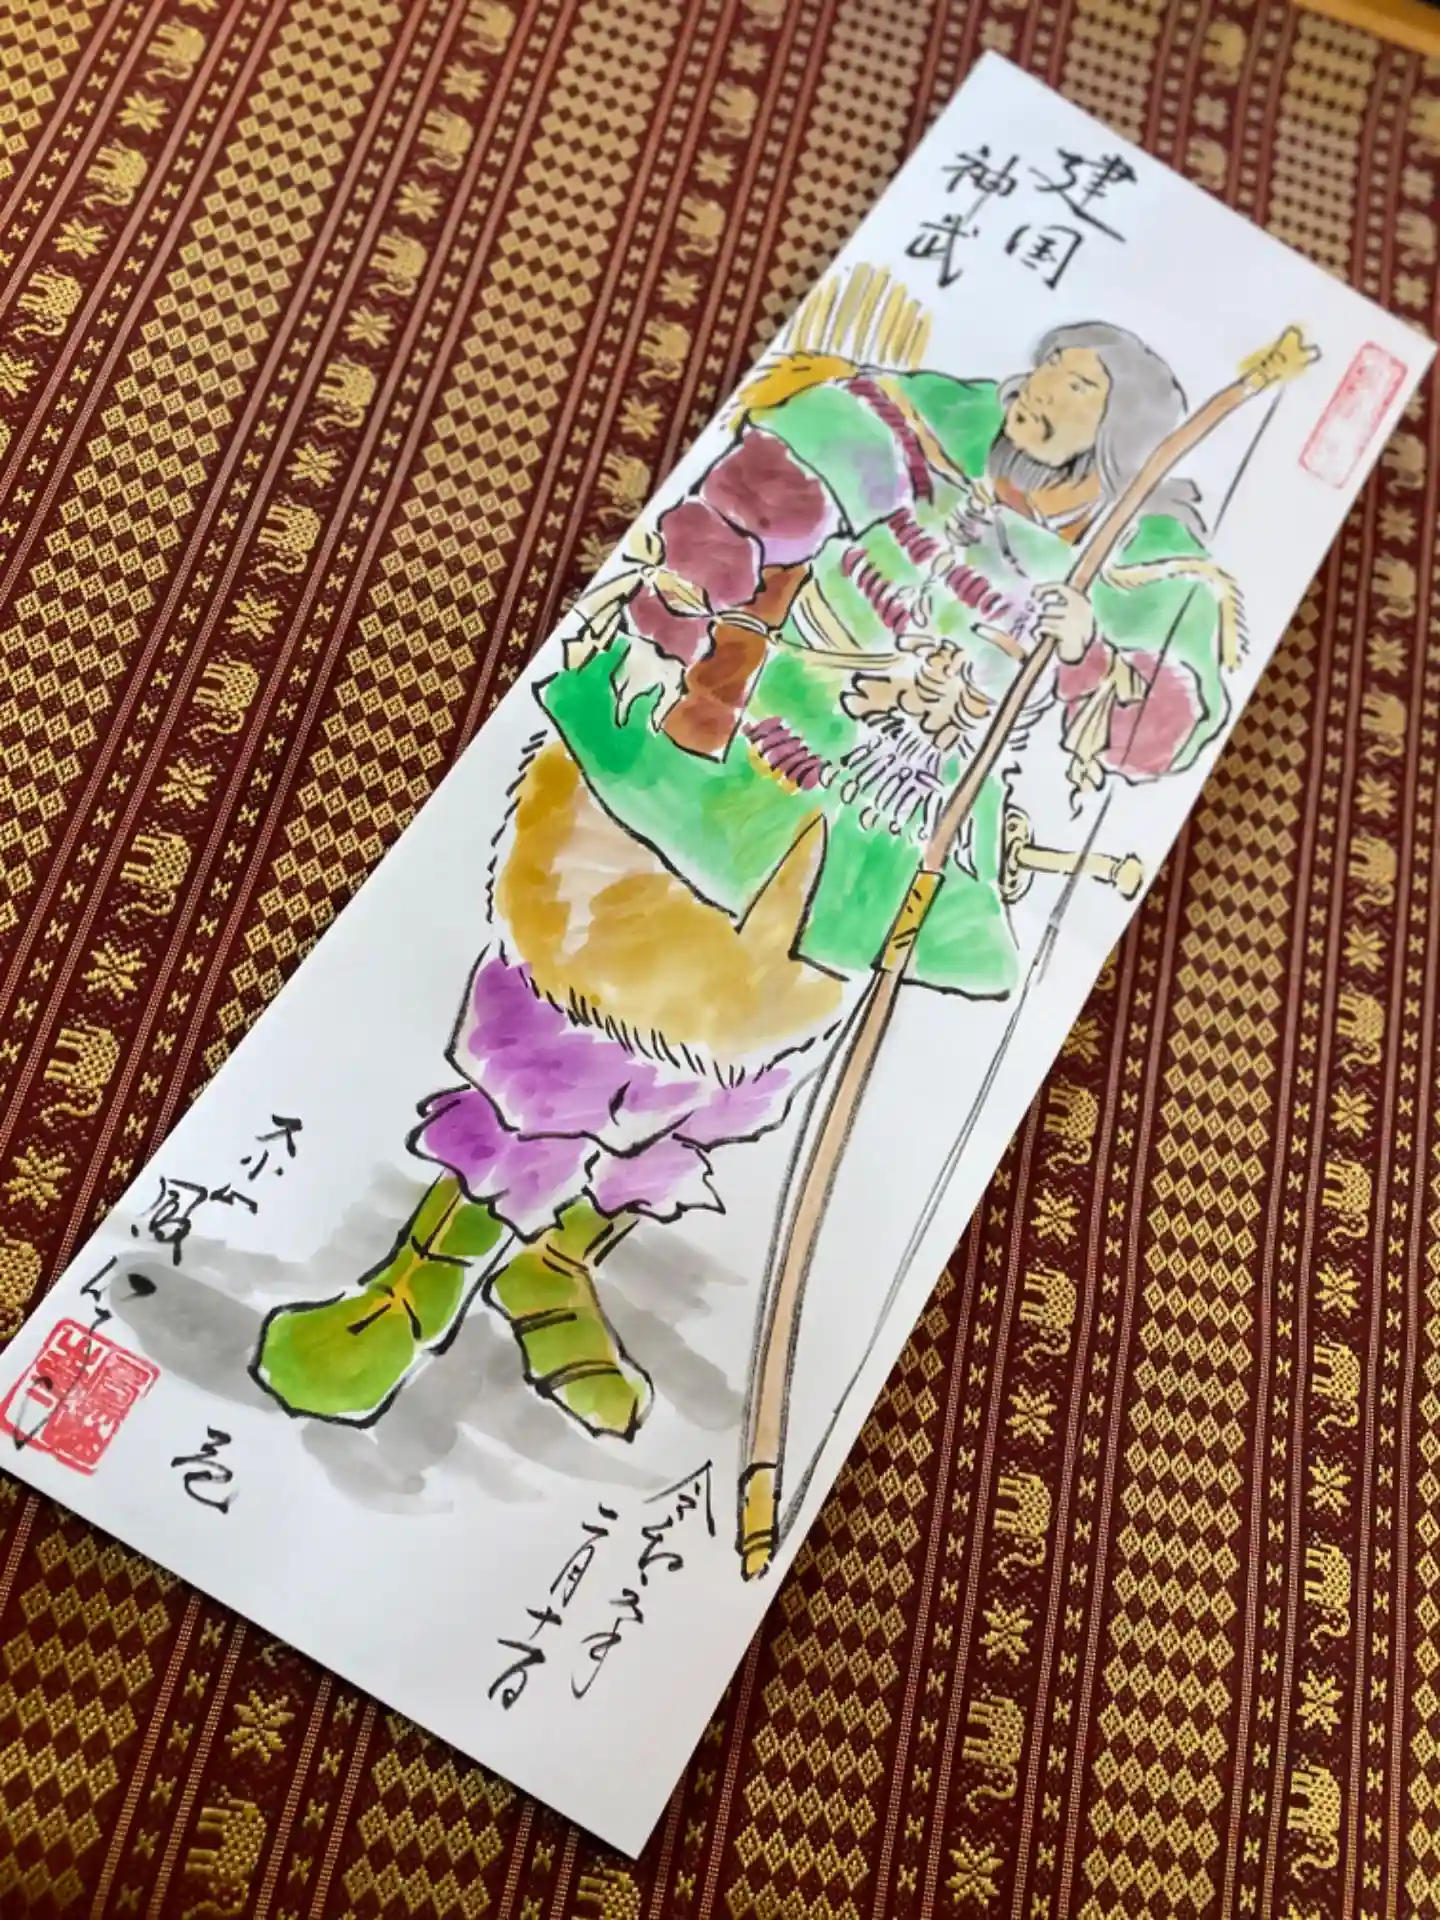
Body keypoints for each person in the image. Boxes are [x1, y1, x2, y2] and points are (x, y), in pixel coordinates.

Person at [252, 281, 1241, 1438]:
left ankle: (553, 1267)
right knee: (582, 1018)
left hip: (888, 834)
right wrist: (678, 616)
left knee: (730, 1080)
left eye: (1077, 392)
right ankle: (409, 1293)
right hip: (744, 750)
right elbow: (750, 500)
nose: (1039, 395)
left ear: (1116, 438)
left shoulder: (1149, 560)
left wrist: (1088, 658)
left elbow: (1156, 735)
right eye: (1047, 369)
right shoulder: (918, 427)